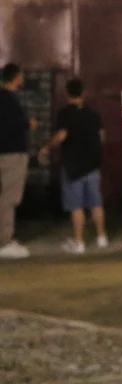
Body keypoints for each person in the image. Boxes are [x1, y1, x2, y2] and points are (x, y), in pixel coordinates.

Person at [38, 78, 107, 254]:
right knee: (96, 204)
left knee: (76, 207)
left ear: (66, 93)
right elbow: (102, 137)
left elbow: (61, 135)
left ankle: (78, 243)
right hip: (92, 166)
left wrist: (47, 147)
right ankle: (101, 238)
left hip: (73, 166)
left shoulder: (65, 113)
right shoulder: (93, 114)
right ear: (84, 93)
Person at [0, 63, 34, 259]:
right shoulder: (7, 99)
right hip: (11, 153)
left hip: (6, 152)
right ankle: (4, 242)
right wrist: (27, 123)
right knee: (9, 197)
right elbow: (9, 124)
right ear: (16, 77)